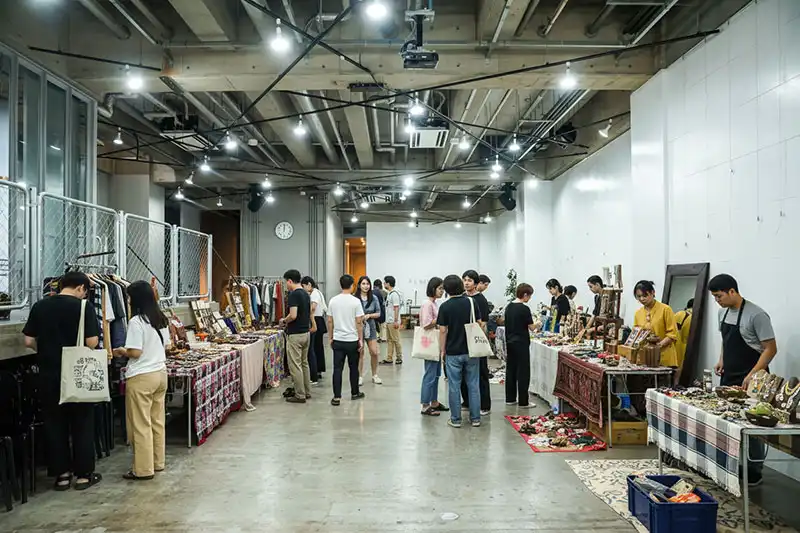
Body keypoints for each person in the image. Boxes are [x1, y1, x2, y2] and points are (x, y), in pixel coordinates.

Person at [22, 271, 102, 491]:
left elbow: (28, 340)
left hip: (48, 374)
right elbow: (92, 342)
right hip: (77, 373)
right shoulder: (84, 307)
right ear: (80, 288)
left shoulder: (40, 306)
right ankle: (83, 475)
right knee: (82, 422)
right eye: (85, 291)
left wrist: (47, 350)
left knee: (54, 424)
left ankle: (62, 476)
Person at [709, 274, 776, 486]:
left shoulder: (756, 315)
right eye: (714, 297)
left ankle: (754, 470)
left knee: (751, 423)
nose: (717, 301)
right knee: (728, 419)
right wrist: (721, 359)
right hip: (730, 374)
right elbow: (725, 340)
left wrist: (753, 373)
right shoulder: (722, 313)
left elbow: (770, 349)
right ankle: (732, 465)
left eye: (719, 296)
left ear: (732, 291)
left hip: (753, 377)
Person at [112, 281, 169, 481]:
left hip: (142, 376)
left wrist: (121, 351)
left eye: (129, 297)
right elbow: (167, 345)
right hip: (160, 373)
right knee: (157, 421)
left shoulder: (136, 321)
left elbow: (135, 352)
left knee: (140, 424)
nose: (128, 300)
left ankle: (143, 469)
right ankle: (157, 462)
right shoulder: (161, 318)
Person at [438, 275, 482, 428]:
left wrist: (442, 350)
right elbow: (479, 323)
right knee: (473, 384)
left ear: (446, 290)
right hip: (471, 350)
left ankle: (456, 419)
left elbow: (443, 330)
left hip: (453, 351)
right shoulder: (471, 302)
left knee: (454, 386)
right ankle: (475, 418)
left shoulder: (445, 307)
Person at [327, 275, 366, 405]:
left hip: (338, 340)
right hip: (352, 340)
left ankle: (336, 397)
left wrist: (330, 337)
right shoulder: (356, 301)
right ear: (352, 285)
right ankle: (355, 393)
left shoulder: (333, 301)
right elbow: (359, 322)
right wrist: (360, 339)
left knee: (337, 369)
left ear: (340, 285)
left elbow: (330, 321)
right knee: (353, 368)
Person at [461, 270, 491, 416]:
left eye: (469, 280)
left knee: (481, 372)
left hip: (477, 339)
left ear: (476, 283)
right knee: (464, 372)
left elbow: (483, 322)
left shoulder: (480, 299)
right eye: (464, 280)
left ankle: (484, 405)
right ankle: (467, 401)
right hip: (463, 340)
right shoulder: (462, 297)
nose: (466, 283)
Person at [504, 283, 539, 407]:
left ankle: (510, 398)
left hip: (510, 342)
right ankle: (523, 401)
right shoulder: (524, 309)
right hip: (521, 343)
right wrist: (538, 323)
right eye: (529, 296)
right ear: (525, 295)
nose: (529, 298)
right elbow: (532, 327)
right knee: (523, 371)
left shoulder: (509, 307)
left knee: (511, 370)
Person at [282, 269, 312, 403]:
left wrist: (284, 320)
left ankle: (300, 394)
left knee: (295, 366)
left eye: (286, 282)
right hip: (306, 333)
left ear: (289, 281)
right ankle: (306, 391)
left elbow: (293, 315)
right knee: (304, 364)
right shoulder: (306, 293)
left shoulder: (294, 295)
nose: (286, 285)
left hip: (295, 334)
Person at [632, 280, 679, 367]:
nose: (642, 299)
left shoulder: (666, 310)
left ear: (653, 292)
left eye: (645, 295)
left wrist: (657, 346)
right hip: (646, 358)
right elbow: (636, 334)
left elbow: (672, 334)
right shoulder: (638, 313)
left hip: (665, 357)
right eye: (639, 296)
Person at [419, 277, 448, 416]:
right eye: (440, 288)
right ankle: (425, 405)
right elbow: (426, 324)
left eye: (443, 289)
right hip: (430, 342)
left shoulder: (434, 303)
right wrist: (441, 318)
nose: (442, 291)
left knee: (436, 374)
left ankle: (434, 401)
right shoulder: (427, 304)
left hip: (436, 342)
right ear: (433, 288)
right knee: (430, 374)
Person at [356, 275, 383, 386]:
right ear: (359, 285)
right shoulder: (355, 298)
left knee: (374, 352)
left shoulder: (374, 298)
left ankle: (374, 375)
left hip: (371, 327)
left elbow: (379, 313)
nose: (366, 286)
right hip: (358, 327)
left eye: (367, 284)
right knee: (360, 352)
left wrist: (369, 315)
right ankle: (359, 376)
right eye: (363, 284)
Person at [301, 276, 324, 383]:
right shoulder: (316, 292)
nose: (303, 289)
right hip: (317, 320)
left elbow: (313, 308)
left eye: (303, 286)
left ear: (309, 284)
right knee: (316, 348)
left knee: (313, 349)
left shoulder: (314, 293)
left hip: (316, 320)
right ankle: (317, 371)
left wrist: (303, 311)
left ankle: (314, 374)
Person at [381, 275, 403, 364]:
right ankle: (389, 358)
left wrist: (396, 321)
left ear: (388, 283)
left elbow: (396, 308)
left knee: (396, 340)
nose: (383, 284)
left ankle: (399, 357)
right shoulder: (390, 294)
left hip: (393, 321)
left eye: (384, 282)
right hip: (389, 321)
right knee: (389, 340)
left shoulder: (394, 294)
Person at [578, 275, 605, 339]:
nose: (590, 289)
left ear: (597, 285)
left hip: (605, 325)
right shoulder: (597, 297)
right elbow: (594, 314)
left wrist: (588, 330)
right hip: (599, 324)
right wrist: (586, 329)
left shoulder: (606, 297)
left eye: (591, 286)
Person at [673, 298, 694, 373]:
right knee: (679, 368)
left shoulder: (678, 313)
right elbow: (686, 337)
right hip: (683, 346)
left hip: (672, 343)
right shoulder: (692, 317)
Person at [374, 279, 388, 343]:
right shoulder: (385, 292)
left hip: (375, 311)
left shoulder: (372, 292)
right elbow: (386, 302)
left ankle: (378, 337)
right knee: (383, 325)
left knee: (376, 325)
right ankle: (384, 338)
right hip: (382, 310)